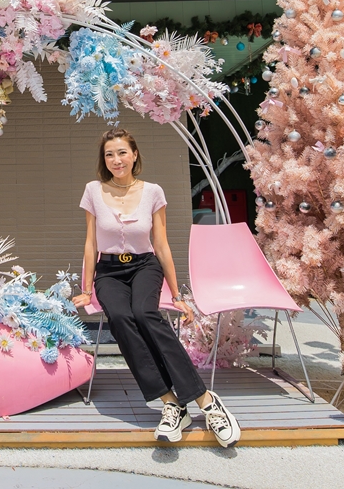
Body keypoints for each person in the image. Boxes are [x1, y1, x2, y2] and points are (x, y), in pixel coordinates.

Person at [71, 128, 241, 446]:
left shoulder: (152, 192)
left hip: (144, 266)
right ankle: (171, 404)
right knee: (121, 318)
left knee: (144, 313)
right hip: (108, 271)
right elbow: (90, 241)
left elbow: (161, 244)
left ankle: (206, 401)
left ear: (134, 155)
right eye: (109, 154)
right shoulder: (93, 190)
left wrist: (177, 295)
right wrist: (86, 286)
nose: (116, 159)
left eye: (122, 152)